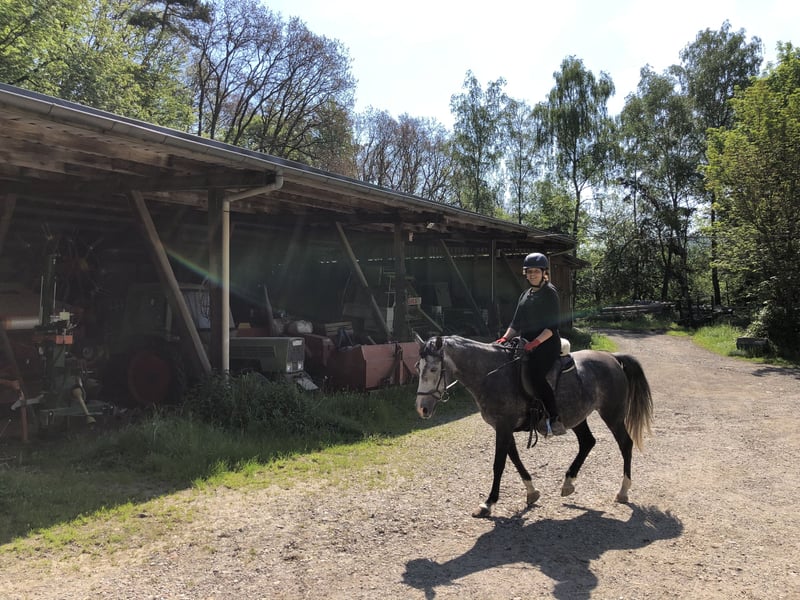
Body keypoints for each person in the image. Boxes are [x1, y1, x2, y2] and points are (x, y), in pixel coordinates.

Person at [494, 252, 567, 436]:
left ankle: (554, 417)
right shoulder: (525, 294)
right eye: (529, 271)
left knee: (535, 376)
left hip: (546, 344)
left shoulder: (550, 293)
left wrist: (535, 342)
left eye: (536, 271)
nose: (532, 274)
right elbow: (515, 323)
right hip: (526, 343)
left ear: (544, 273)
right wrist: (505, 338)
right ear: (525, 273)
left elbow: (552, 327)